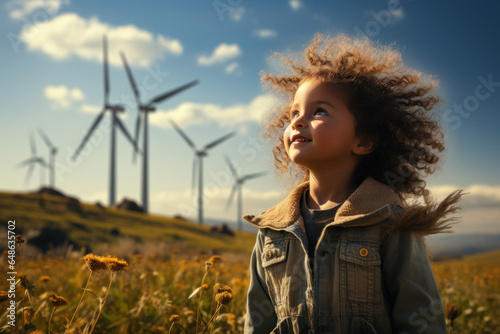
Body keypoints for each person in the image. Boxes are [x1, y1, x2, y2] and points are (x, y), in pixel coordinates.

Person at [243, 34, 463, 333]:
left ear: (363, 141)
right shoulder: (271, 230)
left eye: (319, 111)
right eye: (294, 112)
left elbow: (420, 320)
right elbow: (257, 322)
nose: (296, 121)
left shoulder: (390, 222)